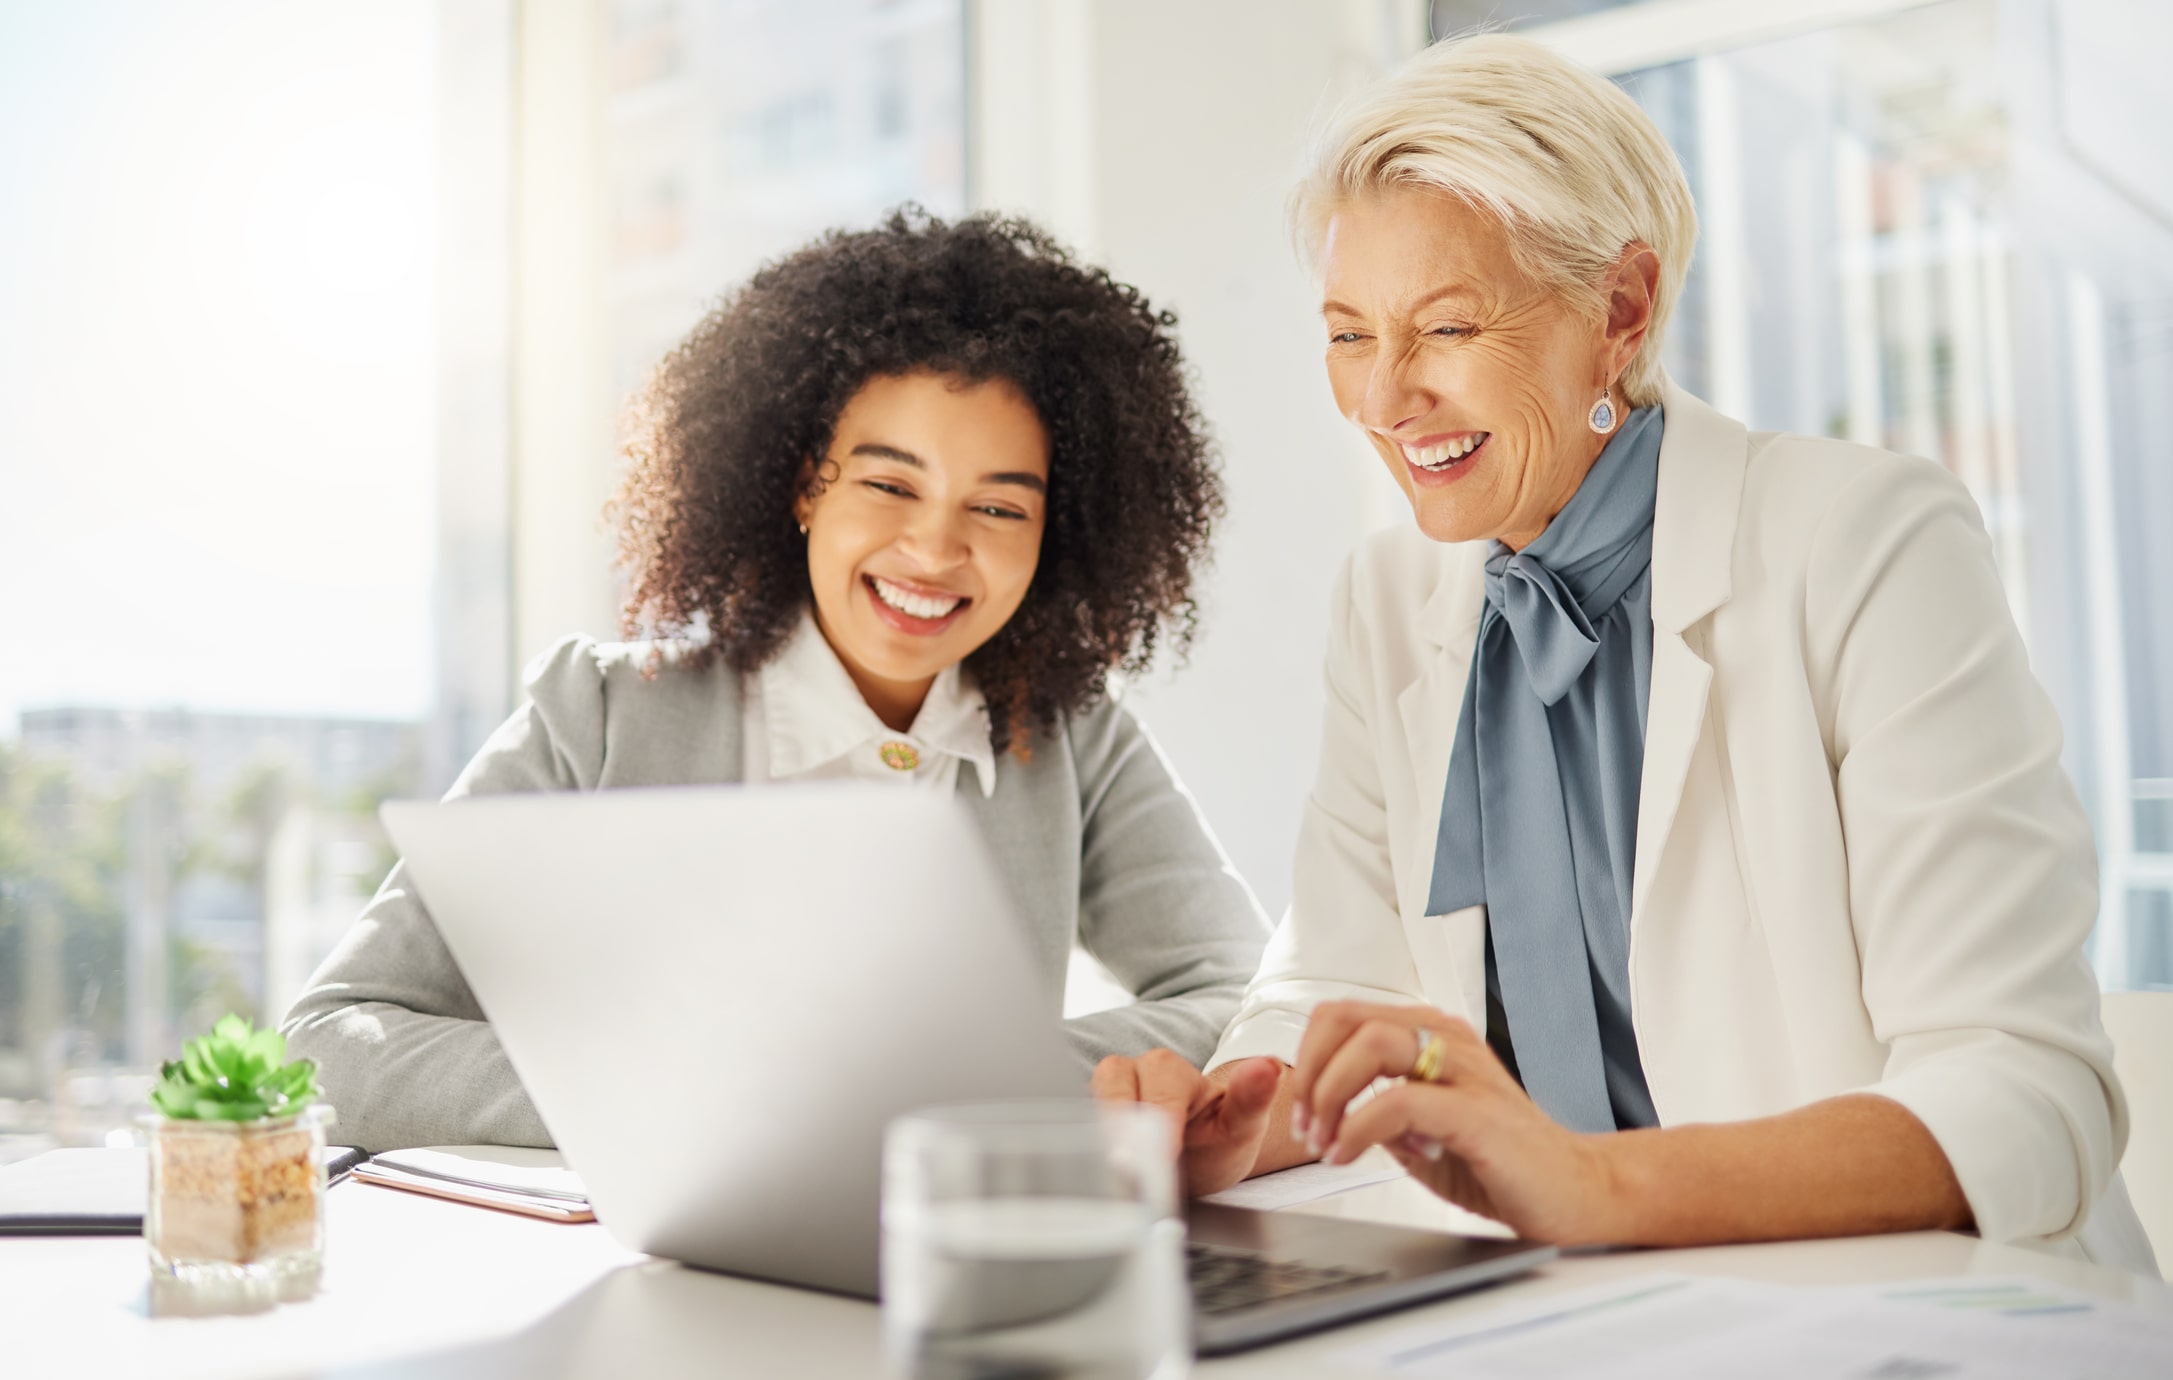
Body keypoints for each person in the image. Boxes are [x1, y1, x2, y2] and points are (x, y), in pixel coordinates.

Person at [1092, 34, 2154, 1270]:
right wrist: (1251, 1118)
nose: (1383, 399)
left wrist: (1593, 1184)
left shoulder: (1864, 542)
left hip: (1917, 1317)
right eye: (1346, 334)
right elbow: (1340, 982)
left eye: (1444, 327)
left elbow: (2022, 1091)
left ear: (1620, 308)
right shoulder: (1388, 600)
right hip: (1588, 1315)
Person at [284, 210, 1270, 1153]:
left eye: (999, 509)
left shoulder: (1071, 740)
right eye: (889, 485)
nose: (935, 549)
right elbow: (330, 1042)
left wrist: (960, 1085)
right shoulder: (601, 716)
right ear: (805, 486)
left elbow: (1247, 997)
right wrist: (671, 1089)